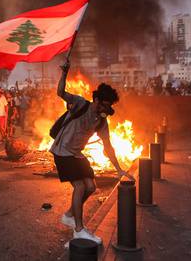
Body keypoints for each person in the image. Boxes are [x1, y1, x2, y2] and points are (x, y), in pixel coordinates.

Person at [50, 60, 135, 245]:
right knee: (80, 187)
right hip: (62, 150)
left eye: (108, 106)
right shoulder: (80, 103)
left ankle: (69, 215)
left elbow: (108, 145)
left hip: (77, 154)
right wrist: (64, 73)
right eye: (103, 104)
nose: (106, 109)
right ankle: (79, 230)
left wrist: (119, 169)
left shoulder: (101, 121)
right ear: (96, 100)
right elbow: (60, 93)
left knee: (91, 187)